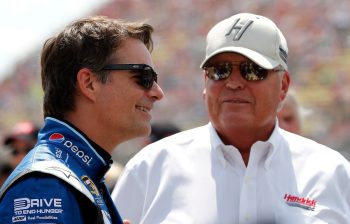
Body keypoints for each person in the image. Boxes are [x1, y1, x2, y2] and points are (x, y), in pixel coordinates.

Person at [111, 13, 350, 223]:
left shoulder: (331, 173)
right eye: (220, 70)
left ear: (283, 86)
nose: (234, 83)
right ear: (205, 82)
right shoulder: (150, 169)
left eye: (253, 70)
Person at [0, 16, 163, 224]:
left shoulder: (77, 175)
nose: (158, 92)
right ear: (89, 83)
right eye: (144, 77)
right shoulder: (46, 184)